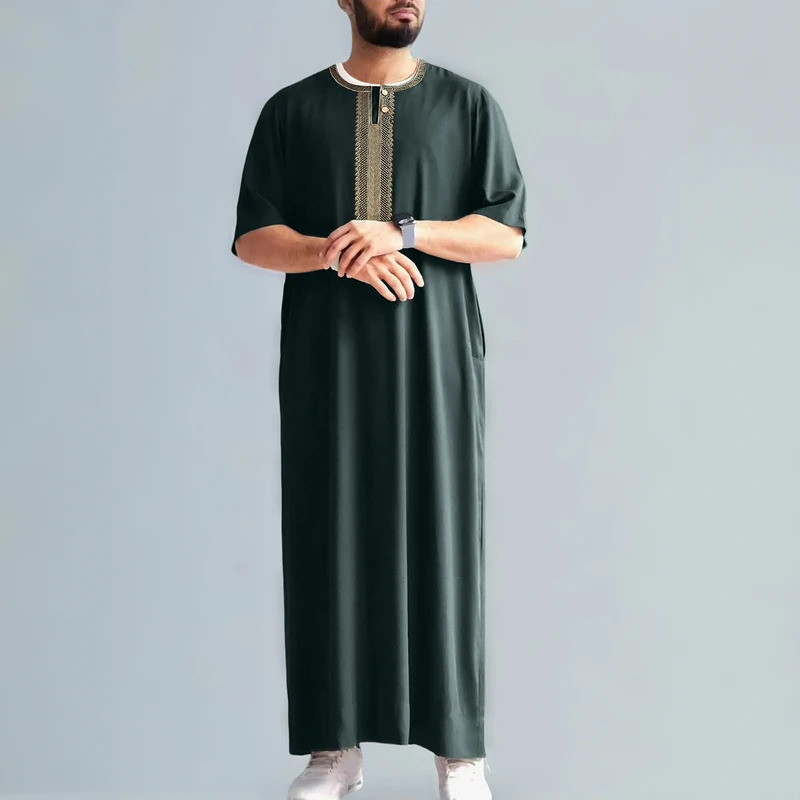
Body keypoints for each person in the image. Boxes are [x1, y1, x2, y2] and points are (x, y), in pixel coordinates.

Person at [230, 1, 527, 798]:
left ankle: (460, 752)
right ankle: (333, 750)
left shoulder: (467, 106)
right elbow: (255, 236)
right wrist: (341, 250)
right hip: (325, 361)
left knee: (443, 535)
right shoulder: (292, 111)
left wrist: (402, 231)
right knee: (325, 535)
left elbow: (506, 233)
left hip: (436, 359)